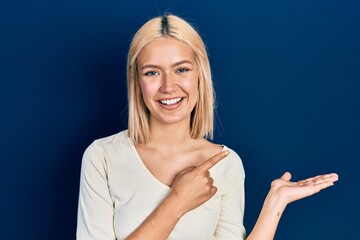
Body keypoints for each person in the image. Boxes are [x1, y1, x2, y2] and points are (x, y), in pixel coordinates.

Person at [76, 14, 338, 240]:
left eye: (181, 69)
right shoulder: (102, 157)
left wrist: (275, 203)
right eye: (152, 72)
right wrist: (177, 201)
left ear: (199, 75)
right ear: (137, 82)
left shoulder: (226, 163)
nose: (168, 86)